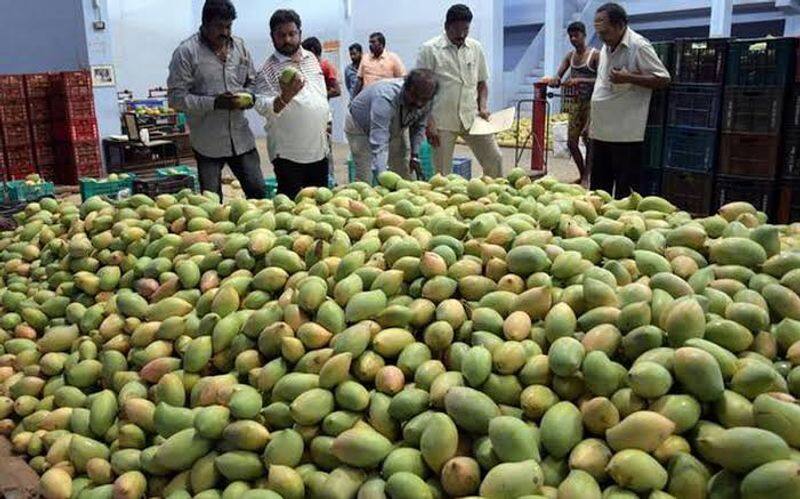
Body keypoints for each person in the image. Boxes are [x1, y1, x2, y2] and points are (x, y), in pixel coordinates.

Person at [167, 0, 266, 200]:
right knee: (211, 201)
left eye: (228, 26)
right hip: (207, 142)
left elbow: (254, 81)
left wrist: (249, 97)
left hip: (241, 138)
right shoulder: (186, 52)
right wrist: (214, 103)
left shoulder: (240, 47)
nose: (225, 32)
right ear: (205, 23)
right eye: (219, 27)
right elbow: (176, 98)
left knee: (258, 192)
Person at [590, 2, 670, 196]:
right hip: (601, 130)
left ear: (620, 26)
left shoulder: (639, 46)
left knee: (626, 190)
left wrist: (628, 78)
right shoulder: (606, 46)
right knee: (599, 188)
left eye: (605, 32)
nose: (601, 37)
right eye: (598, 33)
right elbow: (600, 87)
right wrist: (589, 122)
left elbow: (663, 79)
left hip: (625, 134)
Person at [417, 4, 503, 178]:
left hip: (472, 117)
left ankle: (495, 198)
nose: (462, 34)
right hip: (442, 122)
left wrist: (483, 106)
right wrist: (429, 122)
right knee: (441, 174)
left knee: (495, 159)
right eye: (457, 30)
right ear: (446, 26)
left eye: (466, 29)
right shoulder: (430, 49)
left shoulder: (475, 48)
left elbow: (482, 83)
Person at [254, 9, 330, 198]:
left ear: (300, 34)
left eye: (291, 34)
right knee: (291, 210)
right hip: (289, 156)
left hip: (319, 151)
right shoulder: (267, 69)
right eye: (281, 35)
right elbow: (263, 107)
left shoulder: (311, 58)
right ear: (272, 37)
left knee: (321, 205)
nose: (287, 39)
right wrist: (285, 97)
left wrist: (327, 118)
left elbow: (320, 93)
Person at [346, 69, 438, 182]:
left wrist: (415, 155)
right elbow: (380, 141)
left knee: (403, 169)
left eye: (424, 99)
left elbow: (418, 127)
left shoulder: (427, 99)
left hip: (397, 125)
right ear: (406, 88)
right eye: (415, 96)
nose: (419, 103)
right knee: (365, 175)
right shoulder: (385, 97)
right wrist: (382, 176)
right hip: (360, 127)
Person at [542, 21, 599, 186]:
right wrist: (555, 79)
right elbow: (558, 76)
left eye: (577, 35)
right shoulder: (570, 56)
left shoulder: (595, 55)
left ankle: (588, 177)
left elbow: (602, 81)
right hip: (575, 103)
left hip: (592, 103)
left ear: (584, 35)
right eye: (571, 36)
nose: (574, 39)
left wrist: (579, 79)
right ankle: (582, 174)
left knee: (588, 139)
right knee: (571, 142)